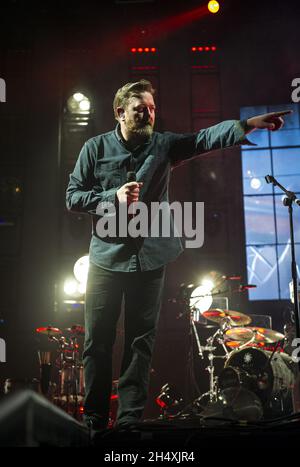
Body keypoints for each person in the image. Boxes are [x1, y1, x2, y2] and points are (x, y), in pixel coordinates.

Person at [66, 79, 291, 430]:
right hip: (107, 258)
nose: (148, 114)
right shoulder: (95, 148)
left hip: (151, 257)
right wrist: (112, 197)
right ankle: (95, 420)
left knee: (141, 342)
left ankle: (127, 420)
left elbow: (201, 140)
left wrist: (246, 125)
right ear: (120, 112)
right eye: (140, 108)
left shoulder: (164, 145)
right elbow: (73, 196)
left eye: (152, 108)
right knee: (98, 341)